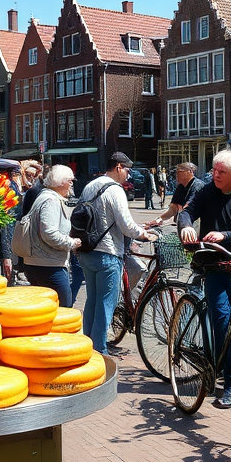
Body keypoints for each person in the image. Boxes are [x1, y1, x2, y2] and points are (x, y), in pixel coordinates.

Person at [178, 149, 231, 409]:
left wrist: (225, 236)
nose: (215, 175)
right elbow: (186, 212)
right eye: (214, 170)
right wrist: (187, 226)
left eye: (221, 172)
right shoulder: (207, 192)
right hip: (213, 266)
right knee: (223, 321)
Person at [78, 152, 157, 355]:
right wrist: (143, 234)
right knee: (106, 302)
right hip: (107, 252)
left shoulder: (90, 185)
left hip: (87, 251)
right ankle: (100, 349)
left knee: (92, 300)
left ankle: (88, 345)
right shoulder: (115, 190)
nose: (129, 175)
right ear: (119, 167)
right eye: (128, 170)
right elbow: (126, 225)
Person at [21, 165, 81, 306]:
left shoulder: (45, 196)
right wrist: (71, 243)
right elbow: (49, 233)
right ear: (60, 182)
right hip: (48, 266)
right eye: (70, 180)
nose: (72, 184)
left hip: (38, 263)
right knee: (62, 309)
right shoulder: (51, 200)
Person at [147, 161, 205, 227]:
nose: (177, 175)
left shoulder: (198, 185)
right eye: (176, 172)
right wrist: (159, 220)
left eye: (180, 172)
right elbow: (173, 209)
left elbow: (188, 208)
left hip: (196, 223)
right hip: (184, 222)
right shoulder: (180, 186)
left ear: (190, 172)